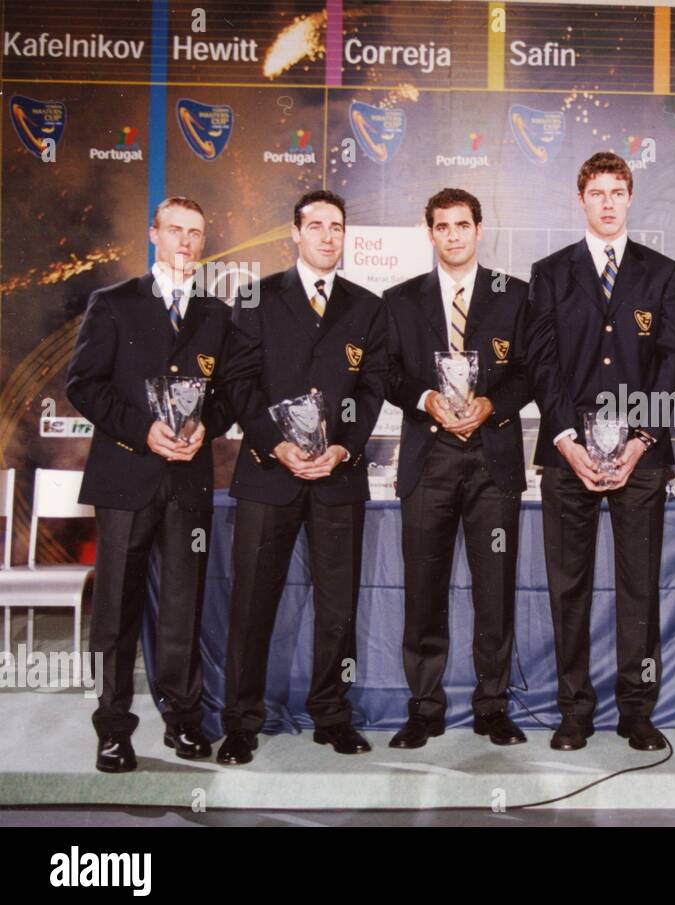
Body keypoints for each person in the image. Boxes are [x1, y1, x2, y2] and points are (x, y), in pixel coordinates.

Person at [217, 190, 388, 765]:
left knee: (338, 604)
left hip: (338, 478)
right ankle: (241, 721)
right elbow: (238, 383)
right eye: (315, 226)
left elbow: (373, 388)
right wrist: (277, 445)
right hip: (269, 475)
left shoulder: (368, 306)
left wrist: (341, 447)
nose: (326, 236)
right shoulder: (255, 297)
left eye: (335, 227)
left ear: (345, 234)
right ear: (295, 233)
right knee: (252, 602)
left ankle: (332, 715)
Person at [67, 196, 234, 772]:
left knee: (183, 607)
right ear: (153, 235)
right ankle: (113, 730)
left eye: (196, 232)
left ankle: (183, 722)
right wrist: (145, 431)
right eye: (176, 230)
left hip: (189, 480)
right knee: (114, 611)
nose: (186, 241)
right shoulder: (112, 304)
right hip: (124, 477)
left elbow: (230, 393)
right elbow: (83, 385)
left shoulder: (217, 313)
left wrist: (209, 423)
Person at [526, 152, 675, 751]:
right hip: (568, 457)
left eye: (618, 191)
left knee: (639, 586)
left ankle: (637, 711)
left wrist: (643, 440)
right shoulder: (549, 272)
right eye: (597, 192)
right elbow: (540, 363)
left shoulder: (662, 271)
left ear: (630, 196)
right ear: (581, 199)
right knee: (570, 588)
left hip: (640, 459)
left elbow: (672, 360)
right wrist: (568, 441)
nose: (609, 201)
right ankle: (574, 711)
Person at [382, 188, 530, 748]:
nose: (452, 235)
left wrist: (491, 404)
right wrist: (426, 400)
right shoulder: (399, 300)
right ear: (430, 232)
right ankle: (424, 708)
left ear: (478, 228)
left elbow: (529, 373)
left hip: (492, 457)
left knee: (494, 588)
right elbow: (387, 375)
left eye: (461, 225)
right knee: (424, 587)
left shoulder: (514, 296)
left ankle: (492, 707)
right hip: (430, 457)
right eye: (441, 226)